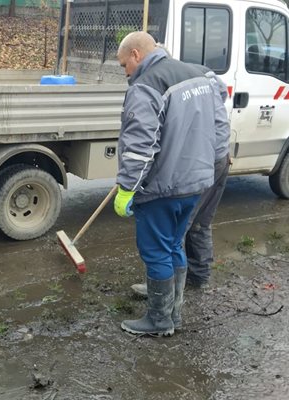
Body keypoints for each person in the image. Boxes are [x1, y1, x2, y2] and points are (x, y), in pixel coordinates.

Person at [113, 31, 219, 337]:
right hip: (196, 183)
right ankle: (174, 315)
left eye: (124, 65)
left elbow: (140, 146)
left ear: (135, 54)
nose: (126, 73)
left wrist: (127, 187)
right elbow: (218, 128)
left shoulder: (147, 85)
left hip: (162, 187)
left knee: (156, 251)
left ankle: (159, 321)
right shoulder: (199, 75)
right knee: (174, 245)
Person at [130, 49, 232, 296]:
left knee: (177, 232)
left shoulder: (174, 82)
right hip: (218, 158)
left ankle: (168, 291)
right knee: (200, 222)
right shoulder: (203, 78)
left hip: (207, 161)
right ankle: (197, 277)